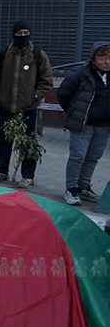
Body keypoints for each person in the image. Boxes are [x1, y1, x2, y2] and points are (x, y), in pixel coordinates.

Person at [0, 20, 52, 188]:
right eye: (19, 33)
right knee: (4, 141)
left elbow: (46, 81)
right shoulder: (3, 54)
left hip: (27, 108)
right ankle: (1, 171)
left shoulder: (38, 55)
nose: (23, 36)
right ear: (13, 34)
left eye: (26, 33)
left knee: (27, 142)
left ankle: (28, 176)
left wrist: (36, 96)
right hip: (6, 106)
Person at [57, 41, 110, 205]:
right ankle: (71, 189)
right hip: (83, 125)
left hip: (104, 126)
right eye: (102, 57)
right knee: (78, 156)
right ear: (93, 59)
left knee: (93, 157)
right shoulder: (80, 74)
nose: (107, 61)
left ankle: (84, 187)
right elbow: (63, 94)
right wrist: (74, 113)